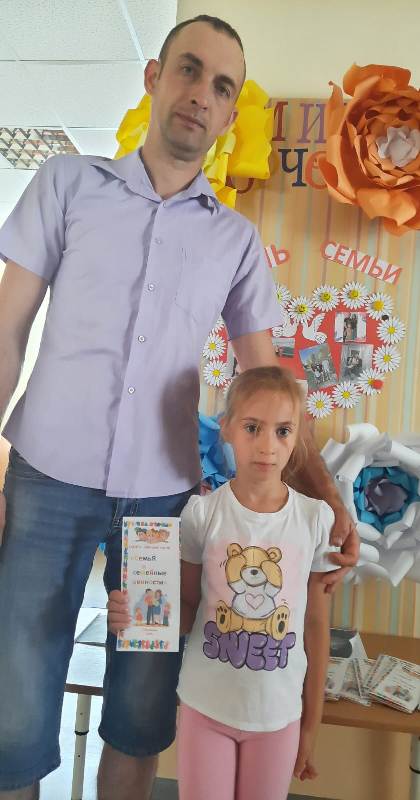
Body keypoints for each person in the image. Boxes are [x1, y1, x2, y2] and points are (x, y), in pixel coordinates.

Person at [0, 14, 358, 800]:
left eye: (222, 86)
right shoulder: (66, 184)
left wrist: (327, 499)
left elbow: (268, 386)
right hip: (45, 487)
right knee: (15, 707)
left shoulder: (235, 243)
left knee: (140, 710)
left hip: (160, 513)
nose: (201, 93)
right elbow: (7, 331)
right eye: (189, 70)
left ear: (230, 114)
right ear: (154, 78)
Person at [109, 366, 335, 800]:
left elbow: (316, 629)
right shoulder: (202, 514)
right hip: (205, 708)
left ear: (297, 436)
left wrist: (311, 726)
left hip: (277, 718)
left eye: (283, 431)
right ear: (227, 428)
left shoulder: (315, 520)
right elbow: (186, 608)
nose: (267, 446)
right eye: (252, 428)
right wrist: (139, 615)